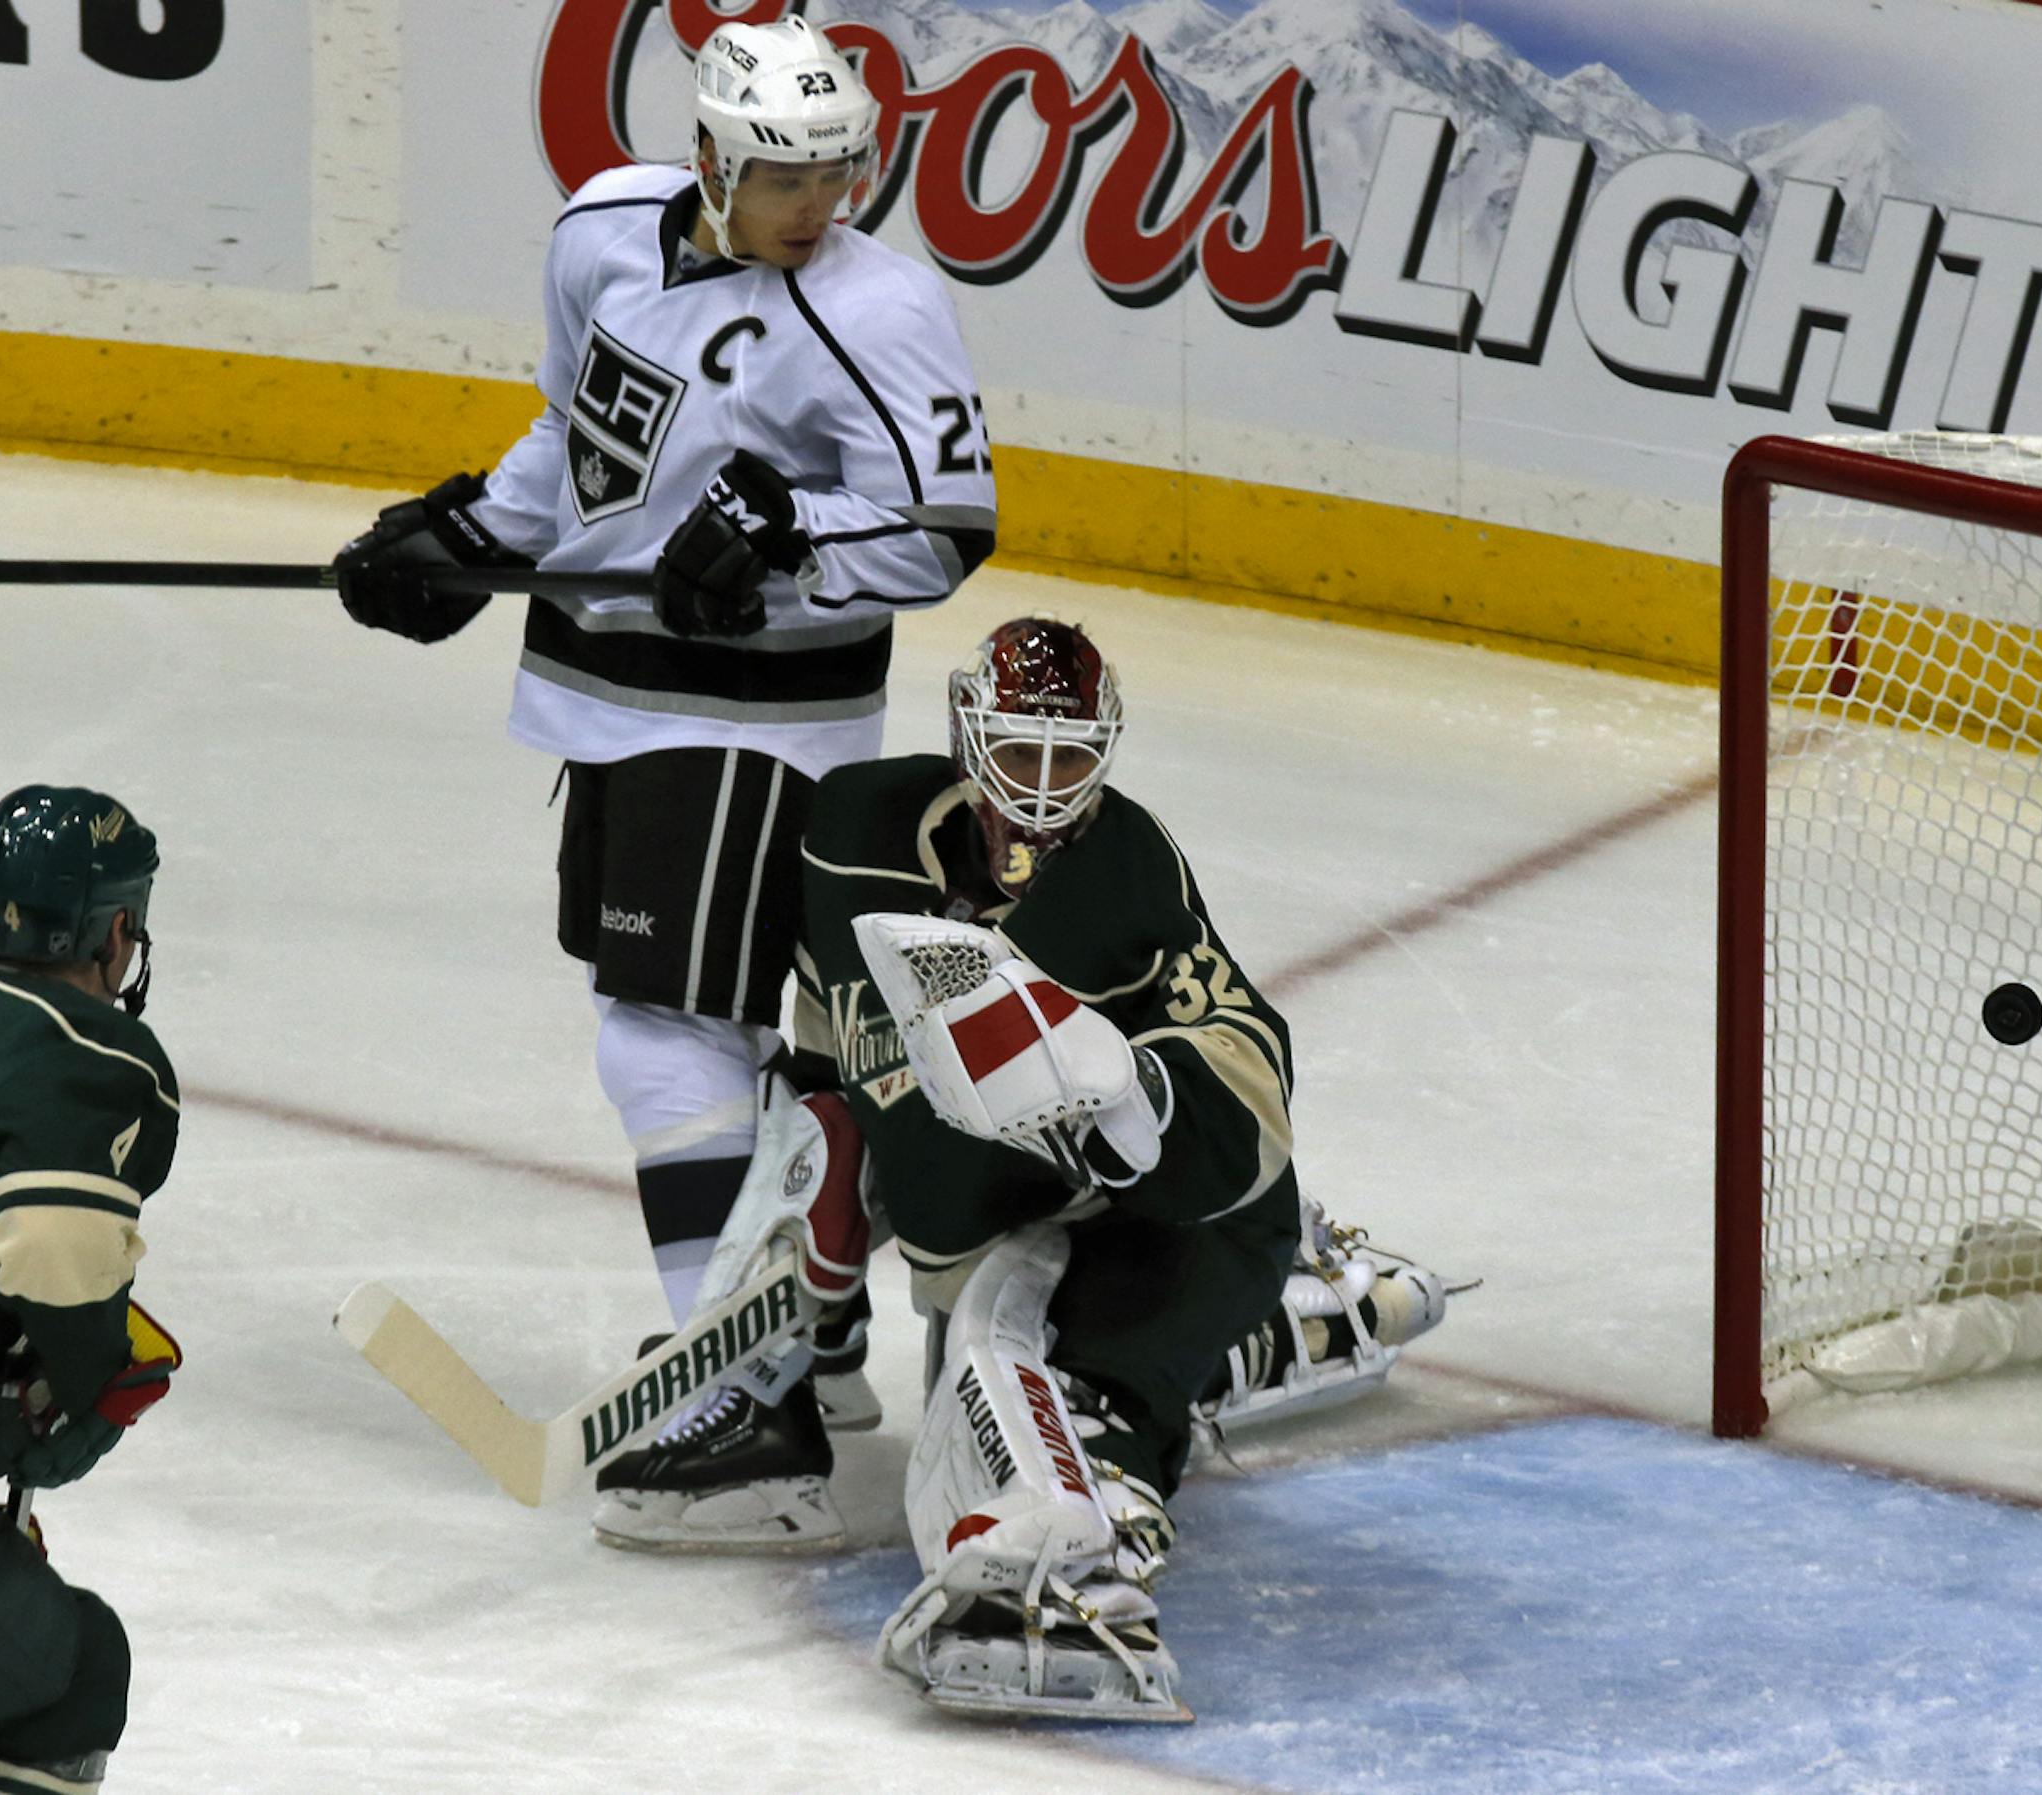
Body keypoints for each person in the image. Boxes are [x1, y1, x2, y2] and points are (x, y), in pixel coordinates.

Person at [329, 15, 998, 1502]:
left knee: (665, 1030)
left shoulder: (879, 310)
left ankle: (745, 1386)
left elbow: (945, 526)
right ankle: (802, 1327)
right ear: (708, 158)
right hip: (610, 692)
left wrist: (787, 551)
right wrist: (476, 535)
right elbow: (583, 433)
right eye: (785, 177)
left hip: (751, 718)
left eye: (840, 170)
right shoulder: (601, 229)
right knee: (715, 1036)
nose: (820, 204)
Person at [601, 617, 1447, 1719]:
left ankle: (1109, 1514)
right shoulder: (856, 831)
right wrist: (816, 1285)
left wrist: (1135, 1102)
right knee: (841, 1174)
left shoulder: (1126, 872)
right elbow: (830, 1048)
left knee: (1059, 1395)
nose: (1043, 793)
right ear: (968, 733)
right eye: (1020, 754)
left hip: (1136, 1222)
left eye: (1070, 759)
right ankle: (774, 1401)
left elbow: (1251, 1071)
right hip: (985, 1220)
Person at [0, 787, 183, 1794]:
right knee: (67, 1675)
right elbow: (51, 1244)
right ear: (117, 930)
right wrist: (86, 1369)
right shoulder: (83, 1054)